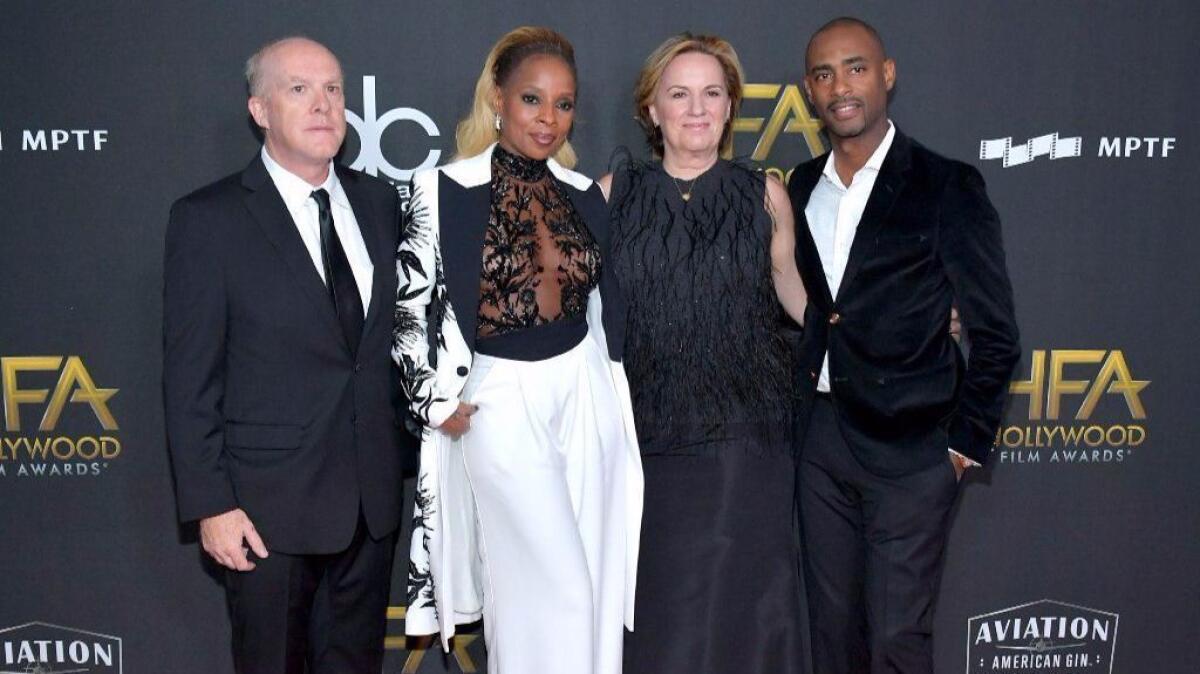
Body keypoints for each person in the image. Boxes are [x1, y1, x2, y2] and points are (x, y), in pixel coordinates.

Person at [392, 26, 643, 674]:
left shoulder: (585, 192)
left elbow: (605, 303)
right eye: (533, 99)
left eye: (563, 104)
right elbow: (408, 304)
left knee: (591, 582)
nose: (549, 118)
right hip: (499, 396)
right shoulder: (440, 190)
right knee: (550, 588)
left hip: (584, 390)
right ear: (497, 98)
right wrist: (430, 401)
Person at [162, 37, 407, 673]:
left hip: (370, 510)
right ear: (259, 110)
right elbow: (190, 380)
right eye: (299, 89)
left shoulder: (381, 205)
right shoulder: (208, 220)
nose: (324, 105)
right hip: (266, 516)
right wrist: (212, 505)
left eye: (333, 89)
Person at [788, 17, 1021, 674]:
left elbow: (997, 334)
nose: (842, 86)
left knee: (896, 641)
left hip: (914, 449)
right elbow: (805, 313)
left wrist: (959, 447)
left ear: (887, 74)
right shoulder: (799, 185)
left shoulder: (947, 185)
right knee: (830, 638)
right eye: (825, 73)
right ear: (810, 89)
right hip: (821, 441)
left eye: (856, 67)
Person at [598, 33, 809, 674]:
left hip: (745, 443)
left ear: (730, 107)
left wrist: (885, 335)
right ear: (652, 111)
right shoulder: (611, 195)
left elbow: (795, 294)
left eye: (711, 93)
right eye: (679, 94)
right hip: (642, 444)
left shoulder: (764, 194)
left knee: (741, 613)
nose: (697, 109)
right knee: (661, 618)